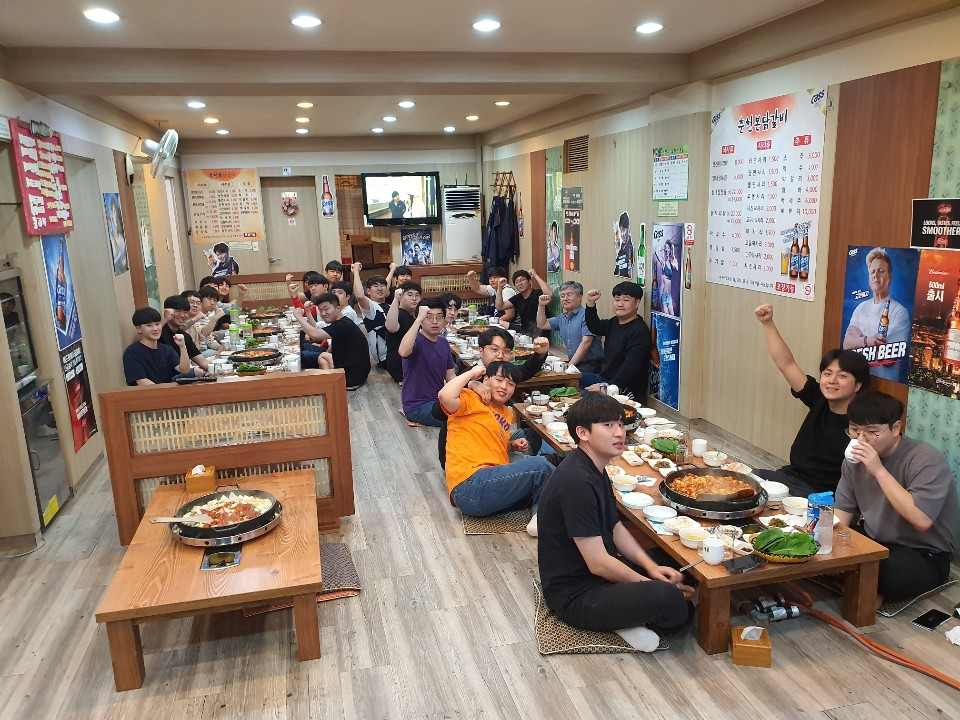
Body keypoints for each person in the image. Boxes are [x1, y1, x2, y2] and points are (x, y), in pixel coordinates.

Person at [537, 392, 692, 649]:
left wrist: (650, 568)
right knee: (670, 600)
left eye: (620, 424)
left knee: (673, 563)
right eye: (608, 425)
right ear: (582, 433)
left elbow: (615, 527)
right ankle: (625, 624)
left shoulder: (595, 467)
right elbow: (598, 564)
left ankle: (631, 616)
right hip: (576, 596)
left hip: (600, 575)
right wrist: (649, 584)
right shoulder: (576, 481)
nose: (619, 432)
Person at [835, 391, 958, 601]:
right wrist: (829, 543)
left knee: (882, 573)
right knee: (826, 550)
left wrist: (879, 470)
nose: (860, 439)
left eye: (871, 432)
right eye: (854, 430)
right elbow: (843, 510)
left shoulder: (925, 459)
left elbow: (921, 520)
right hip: (875, 540)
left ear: (895, 428)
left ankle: (865, 588)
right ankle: (861, 585)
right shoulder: (853, 459)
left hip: (922, 552)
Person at [753, 304, 871, 496]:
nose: (832, 381)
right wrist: (767, 323)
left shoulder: (864, 423)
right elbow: (786, 364)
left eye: (842, 376)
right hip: (788, 478)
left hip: (821, 496)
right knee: (740, 482)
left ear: (857, 385)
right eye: (828, 373)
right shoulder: (818, 398)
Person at [440, 362, 554, 524]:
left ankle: (539, 520)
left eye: (510, 384)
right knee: (541, 467)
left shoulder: (507, 413)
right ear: (486, 380)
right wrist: (472, 376)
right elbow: (444, 396)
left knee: (542, 485)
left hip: (491, 485)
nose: (504, 387)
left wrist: (511, 445)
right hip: (469, 484)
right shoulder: (470, 397)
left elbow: (491, 443)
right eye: (499, 380)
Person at [432, 326, 548, 467]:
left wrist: (540, 355)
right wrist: (470, 384)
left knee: (532, 435)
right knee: (535, 464)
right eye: (494, 349)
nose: (500, 355)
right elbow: (437, 411)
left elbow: (525, 370)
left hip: (487, 440)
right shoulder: (470, 375)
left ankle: (515, 467)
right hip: (464, 456)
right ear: (481, 351)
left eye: (506, 351)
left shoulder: (503, 374)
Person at [842, 248, 911, 381]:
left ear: (889, 277)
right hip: (857, 380)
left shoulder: (899, 312)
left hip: (885, 383)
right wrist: (868, 340)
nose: (875, 275)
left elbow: (888, 358)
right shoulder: (860, 308)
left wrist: (859, 338)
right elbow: (846, 344)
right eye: (872, 271)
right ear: (869, 278)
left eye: (881, 271)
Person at [582, 282, 652, 402]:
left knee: (582, 399)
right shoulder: (614, 322)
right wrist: (591, 303)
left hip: (624, 388)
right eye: (617, 299)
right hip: (603, 378)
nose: (620, 304)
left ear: (637, 303)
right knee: (569, 380)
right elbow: (595, 326)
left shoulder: (639, 331)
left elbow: (631, 366)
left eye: (626, 300)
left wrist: (607, 387)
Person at [293, 293, 371, 390]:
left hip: (352, 377)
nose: (323, 313)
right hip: (357, 372)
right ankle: (329, 379)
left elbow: (315, 335)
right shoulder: (343, 321)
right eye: (320, 310)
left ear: (338, 308)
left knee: (305, 373)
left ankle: (330, 381)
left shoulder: (342, 325)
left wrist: (299, 317)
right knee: (323, 356)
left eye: (326, 309)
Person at [399, 299, 456, 426]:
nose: (435, 321)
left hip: (438, 401)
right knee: (460, 420)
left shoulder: (443, 342)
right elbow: (403, 351)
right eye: (429, 317)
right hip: (417, 407)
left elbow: (450, 376)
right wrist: (419, 318)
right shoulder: (415, 341)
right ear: (421, 319)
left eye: (439, 317)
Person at [535, 281, 603, 373]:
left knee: (561, 379)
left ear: (580, 296)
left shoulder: (587, 316)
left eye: (569, 295)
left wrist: (569, 367)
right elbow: (541, 324)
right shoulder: (562, 318)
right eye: (562, 296)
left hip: (591, 364)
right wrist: (541, 305)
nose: (565, 298)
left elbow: (586, 342)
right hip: (575, 363)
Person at [122, 307, 191, 386]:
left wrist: (182, 346)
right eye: (149, 325)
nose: (155, 329)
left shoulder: (167, 349)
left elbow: (185, 371)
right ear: (139, 329)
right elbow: (142, 382)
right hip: (147, 393)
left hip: (166, 390)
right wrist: (165, 392)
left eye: (157, 324)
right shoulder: (132, 352)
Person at [351, 262, 389, 366]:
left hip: (395, 353)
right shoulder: (371, 307)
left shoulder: (389, 306)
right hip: (385, 358)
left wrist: (392, 270)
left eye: (382, 286)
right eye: (375, 286)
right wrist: (356, 272)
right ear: (368, 290)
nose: (380, 288)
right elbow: (359, 296)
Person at [159, 295, 210, 373]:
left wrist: (221, 371)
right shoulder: (159, 333)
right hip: (164, 376)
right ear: (168, 312)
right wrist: (165, 319)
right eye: (178, 311)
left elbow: (202, 362)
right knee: (197, 372)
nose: (182, 315)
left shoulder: (184, 336)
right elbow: (144, 337)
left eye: (185, 312)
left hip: (181, 374)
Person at [384, 280, 422, 383]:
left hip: (411, 363)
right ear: (401, 296)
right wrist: (396, 299)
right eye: (409, 295)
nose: (414, 298)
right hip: (402, 367)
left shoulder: (412, 315)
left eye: (417, 295)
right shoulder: (398, 314)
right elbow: (391, 327)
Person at [498, 269, 552, 335]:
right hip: (524, 330)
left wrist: (535, 275)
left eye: (522, 280)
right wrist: (500, 287)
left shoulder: (538, 294)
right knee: (500, 322)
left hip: (540, 332)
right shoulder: (518, 298)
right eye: (517, 282)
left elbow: (550, 294)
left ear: (529, 281)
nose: (520, 283)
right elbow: (500, 306)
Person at [613, 212, 634, 279]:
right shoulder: (622, 246)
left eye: (624, 230)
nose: (622, 234)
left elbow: (628, 272)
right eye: (621, 231)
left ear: (628, 229)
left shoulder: (630, 248)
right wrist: (617, 248)